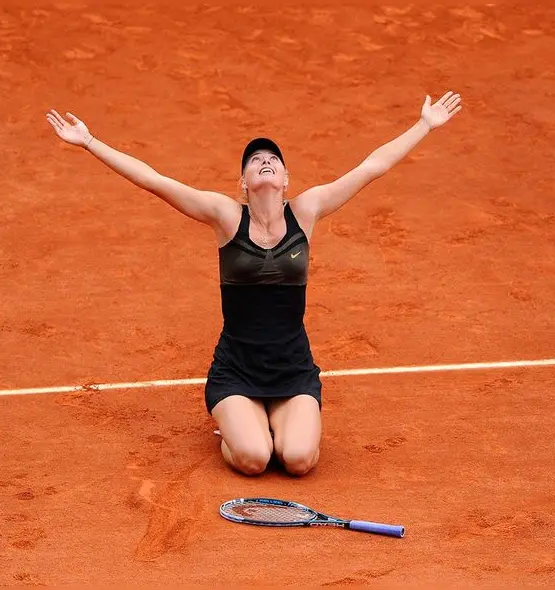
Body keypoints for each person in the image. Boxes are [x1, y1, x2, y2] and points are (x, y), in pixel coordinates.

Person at [46, 91, 462, 477]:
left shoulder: (308, 210)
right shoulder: (226, 217)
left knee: (298, 461)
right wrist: (89, 142)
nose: (265, 161)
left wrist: (424, 124)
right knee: (254, 459)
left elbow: (373, 167)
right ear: (243, 183)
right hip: (236, 371)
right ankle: (239, 433)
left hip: (292, 371)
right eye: (255, 160)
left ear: (286, 180)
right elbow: (155, 181)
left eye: (273, 160)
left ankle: (267, 424)